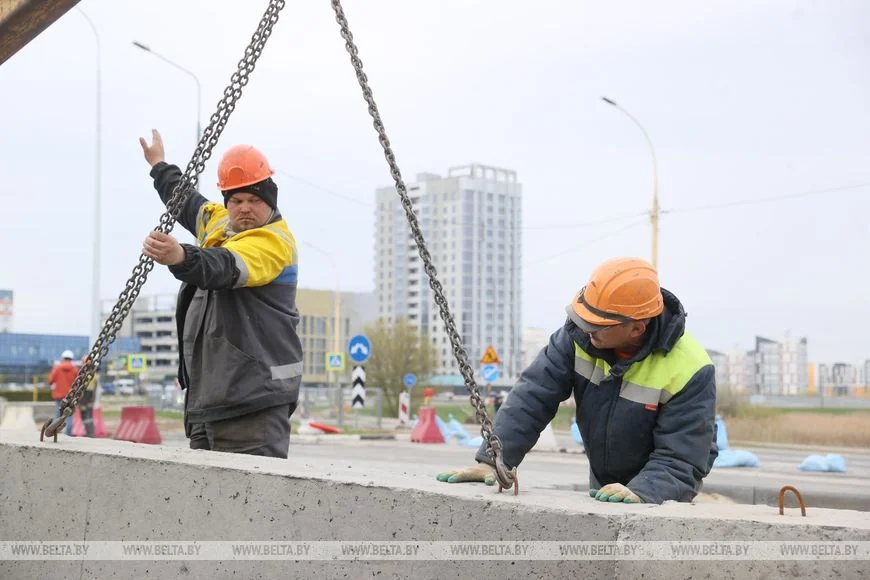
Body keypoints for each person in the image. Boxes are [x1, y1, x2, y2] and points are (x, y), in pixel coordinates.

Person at [437, 257, 718, 504]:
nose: (587, 328)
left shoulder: (691, 369)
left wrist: (645, 491)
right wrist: (495, 459)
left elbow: (682, 456)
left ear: (636, 328)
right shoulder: (577, 337)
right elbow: (533, 395)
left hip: (662, 494)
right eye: (585, 316)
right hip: (605, 486)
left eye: (598, 324)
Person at [139, 129, 303, 459]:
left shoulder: (273, 243)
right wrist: (159, 165)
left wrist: (181, 257)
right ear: (227, 202)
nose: (245, 208)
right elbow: (187, 201)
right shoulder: (221, 224)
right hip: (209, 399)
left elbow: (223, 267)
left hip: (253, 403)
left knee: (253, 505)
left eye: (255, 200)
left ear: (270, 201)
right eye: (237, 201)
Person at [47, 350, 77, 436]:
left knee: (58, 416)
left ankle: (56, 434)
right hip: (70, 397)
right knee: (69, 416)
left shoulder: (57, 368)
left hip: (59, 396)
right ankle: (68, 435)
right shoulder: (75, 369)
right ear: (71, 358)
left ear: (63, 358)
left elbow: (50, 381)